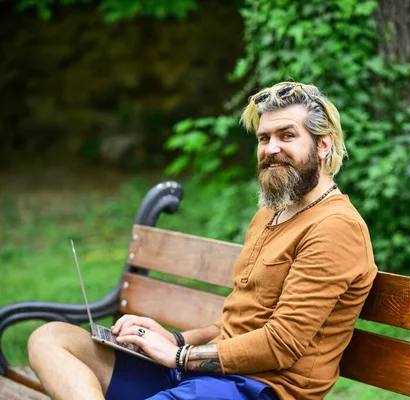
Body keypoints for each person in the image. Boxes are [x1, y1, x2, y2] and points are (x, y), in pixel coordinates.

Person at [28, 81, 378, 400]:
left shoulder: (336, 228)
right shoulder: (269, 216)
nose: (271, 148)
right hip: (203, 373)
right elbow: (238, 321)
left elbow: (281, 343)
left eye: (287, 136)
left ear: (323, 144)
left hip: (258, 389)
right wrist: (175, 340)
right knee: (51, 339)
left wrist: (181, 356)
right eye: (264, 138)